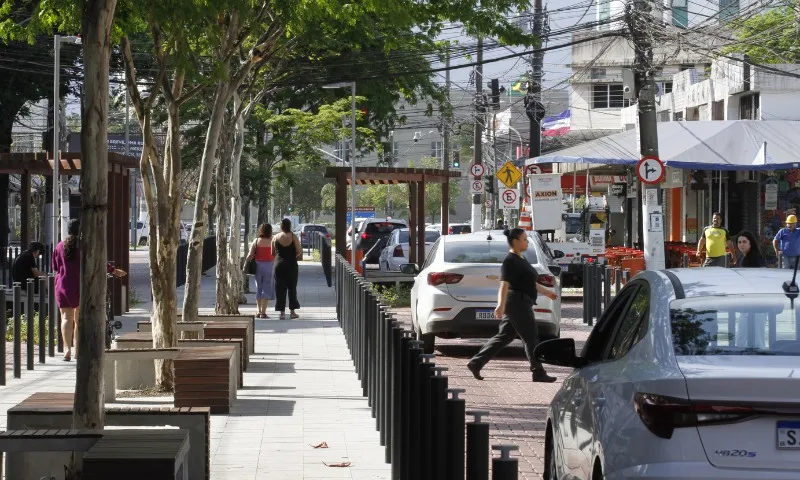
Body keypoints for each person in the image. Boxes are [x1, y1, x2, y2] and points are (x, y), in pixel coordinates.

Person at [467, 228, 559, 383]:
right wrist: (500, 305)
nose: (527, 241)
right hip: (517, 303)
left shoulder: (521, 259)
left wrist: (547, 292)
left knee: (505, 336)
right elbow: (504, 285)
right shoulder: (510, 261)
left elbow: (530, 282)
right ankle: (538, 372)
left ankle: (476, 363)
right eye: (524, 239)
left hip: (521, 302)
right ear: (515, 241)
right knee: (531, 338)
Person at [51, 219, 126, 361]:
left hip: (62, 285)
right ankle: (77, 350)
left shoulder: (59, 246)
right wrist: (114, 270)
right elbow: (99, 261)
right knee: (79, 320)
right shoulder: (85, 246)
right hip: (80, 286)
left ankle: (66, 349)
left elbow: (55, 267)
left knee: (65, 318)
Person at [272, 218, 302, 319]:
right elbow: (299, 251)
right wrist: (293, 256)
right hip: (291, 264)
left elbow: (272, 252)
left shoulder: (275, 237)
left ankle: (281, 313)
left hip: (279, 265)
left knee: (279, 288)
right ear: (289, 226)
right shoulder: (293, 236)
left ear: (281, 226)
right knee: (292, 287)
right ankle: (292, 312)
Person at [248, 223, 275, 318]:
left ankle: (258, 311)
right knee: (266, 288)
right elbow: (276, 254)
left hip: (258, 267)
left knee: (258, 288)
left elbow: (250, 254)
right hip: (269, 266)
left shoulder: (256, 241)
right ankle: (263, 312)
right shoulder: (273, 241)